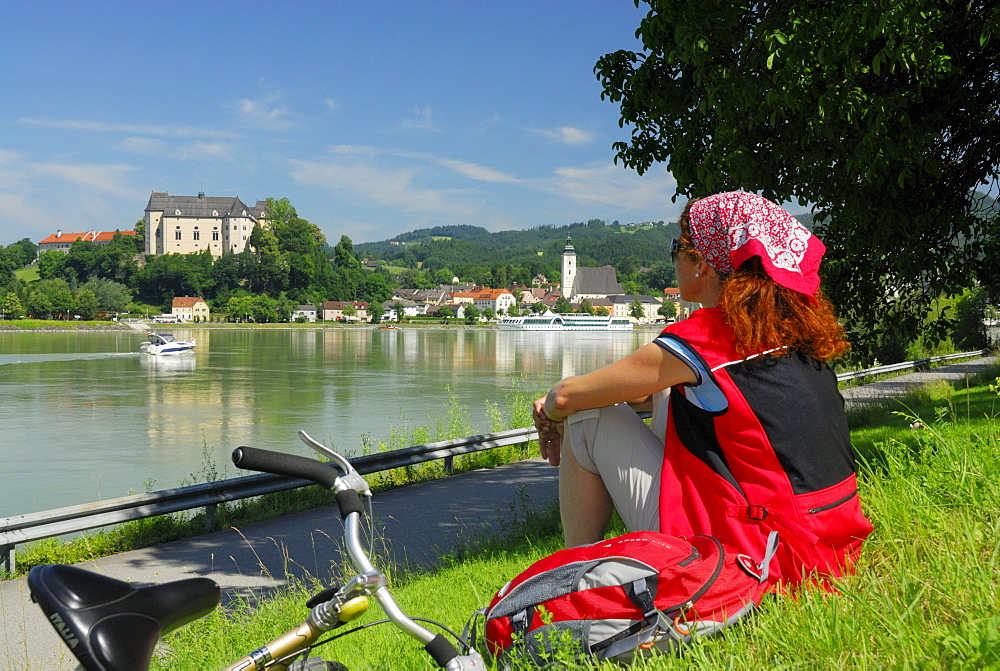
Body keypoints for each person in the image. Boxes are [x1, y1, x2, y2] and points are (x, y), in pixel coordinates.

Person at [532, 191, 872, 587]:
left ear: (704, 264)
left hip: (758, 557)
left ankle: (567, 581)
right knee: (663, 392)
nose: (674, 259)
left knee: (586, 415)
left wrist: (550, 416)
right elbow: (645, 392)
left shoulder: (704, 339)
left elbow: (566, 397)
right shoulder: (787, 333)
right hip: (827, 543)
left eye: (678, 248)